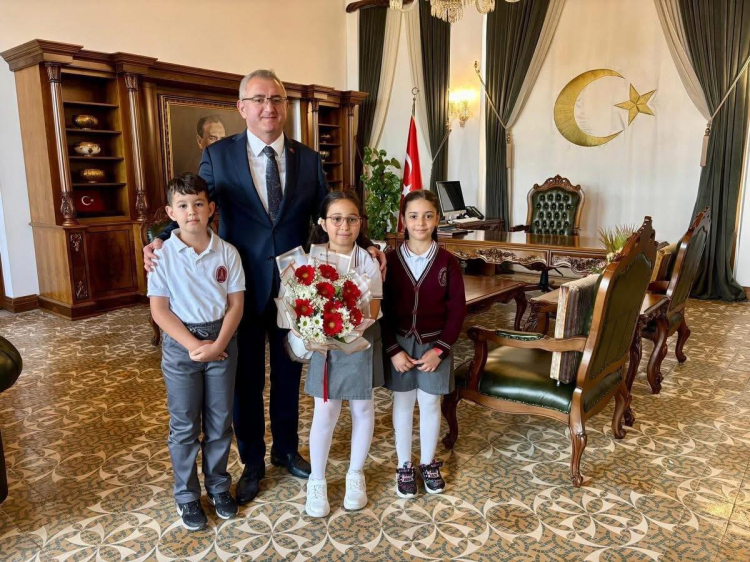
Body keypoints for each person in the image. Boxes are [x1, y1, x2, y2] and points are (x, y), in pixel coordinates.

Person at [143, 69, 385, 505]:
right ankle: (252, 460)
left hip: (298, 290)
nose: (268, 107)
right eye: (258, 99)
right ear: (242, 107)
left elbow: (329, 210)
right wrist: (160, 239)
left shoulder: (307, 159)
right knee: (246, 379)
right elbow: (196, 206)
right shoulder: (218, 156)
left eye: (276, 99)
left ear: (284, 106)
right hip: (240, 287)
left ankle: (286, 450)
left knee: (290, 373)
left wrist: (368, 244)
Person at [147, 173, 245, 531]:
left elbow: (236, 305)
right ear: (171, 212)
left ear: (211, 208)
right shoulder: (161, 256)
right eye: (183, 205)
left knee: (220, 421)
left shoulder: (228, 252)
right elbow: (160, 311)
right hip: (180, 346)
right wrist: (194, 345)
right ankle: (187, 495)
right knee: (185, 423)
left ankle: (218, 486)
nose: (192, 211)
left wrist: (216, 345)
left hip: (222, 342)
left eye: (199, 203)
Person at [381, 190, 467, 498]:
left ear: (437, 219)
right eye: (414, 216)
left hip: (434, 345)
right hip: (400, 345)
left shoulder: (448, 262)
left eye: (428, 216)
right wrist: (393, 350)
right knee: (403, 403)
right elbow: (381, 309)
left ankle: (428, 462)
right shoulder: (390, 261)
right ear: (403, 220)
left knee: (430, 403)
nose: (421, 223)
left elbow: (457, 310)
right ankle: (404, 464)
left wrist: (440, 349)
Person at [303, 191, 383, 518]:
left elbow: (374, 308)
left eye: (352, 219)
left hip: (360, 339)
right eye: (336, 219)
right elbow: (300, 302)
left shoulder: (368, 261)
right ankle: (317, 480)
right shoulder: (311, 260)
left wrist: (349, 328)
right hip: (324, 344)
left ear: (360, 223)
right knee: (325, 410)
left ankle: (355, 474)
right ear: (323, 223)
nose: (344, 226)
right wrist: (314, 329)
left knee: (362, 407)